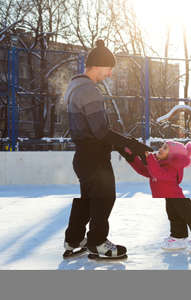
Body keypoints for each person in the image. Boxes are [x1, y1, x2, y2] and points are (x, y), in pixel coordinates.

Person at [63, 39, 152, 259]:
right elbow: (101, 131)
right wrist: (131, 144)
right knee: (105, 197)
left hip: (84, 156)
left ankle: (73, 240)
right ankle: (98, 244)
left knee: (88, 199)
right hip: (94, 157)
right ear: (99, 65)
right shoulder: (88, 90)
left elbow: (97, 131)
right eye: (109, 69)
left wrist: (123, 145)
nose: (110, 75)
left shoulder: (76, 86)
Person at [119, 141, 191, 253]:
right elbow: (144, 170)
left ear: (173, 155)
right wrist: (132, 159)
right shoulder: (160, 164)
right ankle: (179, 237)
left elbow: (159, 174)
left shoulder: (174, 167)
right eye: (162, 146)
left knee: (189, 214)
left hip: (176, 195)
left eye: (165, 148)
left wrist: (150, 159)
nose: (160, 149)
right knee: (174, 216)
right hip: (168, 196)